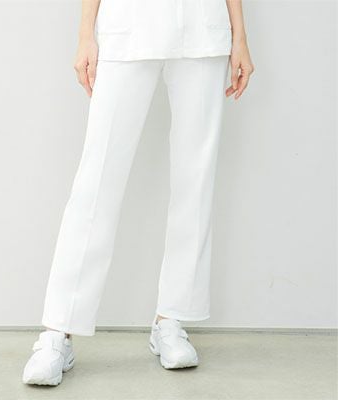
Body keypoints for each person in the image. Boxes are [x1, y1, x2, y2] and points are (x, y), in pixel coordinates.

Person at [23, 0, 254, 386]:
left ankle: (171, 319)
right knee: (97, 180)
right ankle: (57, 330)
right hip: (127, 22)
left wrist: (240, 36)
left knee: (195, 179)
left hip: (201, 23)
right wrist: (85, 34)